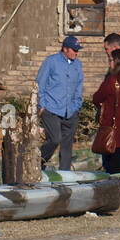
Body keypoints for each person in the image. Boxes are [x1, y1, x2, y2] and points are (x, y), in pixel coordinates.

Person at [37, 35, 84, 170]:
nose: (76, 53)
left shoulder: (77, 65)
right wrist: (42, 105)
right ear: (65, 49)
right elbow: (40, 83)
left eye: (77, 50)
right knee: (54, 139)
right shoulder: (51, 62)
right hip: (51, 109)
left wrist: (76, 105)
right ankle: (37, 163)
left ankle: (65, 174)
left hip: (70, 112)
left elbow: (79, 87)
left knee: (67, 146)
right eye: (74, 50)